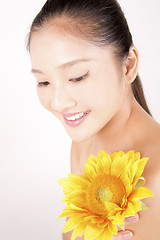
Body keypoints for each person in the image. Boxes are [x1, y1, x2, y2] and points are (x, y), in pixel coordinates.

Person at [27, 0, 160, 239]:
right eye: (44, 82)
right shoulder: (83, 143)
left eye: (77, 77)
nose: (58, 102)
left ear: (128, 65)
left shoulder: (157, 176)